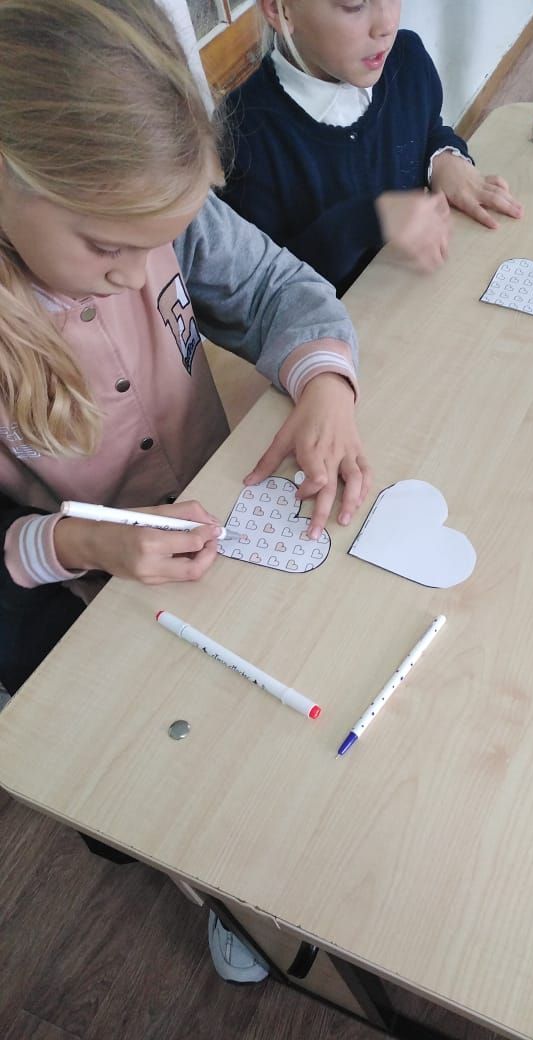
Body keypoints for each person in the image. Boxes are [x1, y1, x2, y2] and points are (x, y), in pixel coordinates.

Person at [0, 0, 371, 983]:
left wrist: (325, 385)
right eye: (106, 250)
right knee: (160, 782)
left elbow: (282, 290)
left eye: (153, 245)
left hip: (215, 522)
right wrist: (78, 542)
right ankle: (216, 882)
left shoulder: (157, 210)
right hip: (74, 597)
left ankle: (248, 857)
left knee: (283, 715)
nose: (136, 275)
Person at [220, 0, 524, 296]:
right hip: (339, 324)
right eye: (354, 6)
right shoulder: (241, 133)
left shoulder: (406, 59)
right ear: (280, 10)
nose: (387, 25)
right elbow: (265, 291)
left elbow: (428, 128)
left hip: (422, 293)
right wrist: (369, 220)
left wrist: (443, 158)